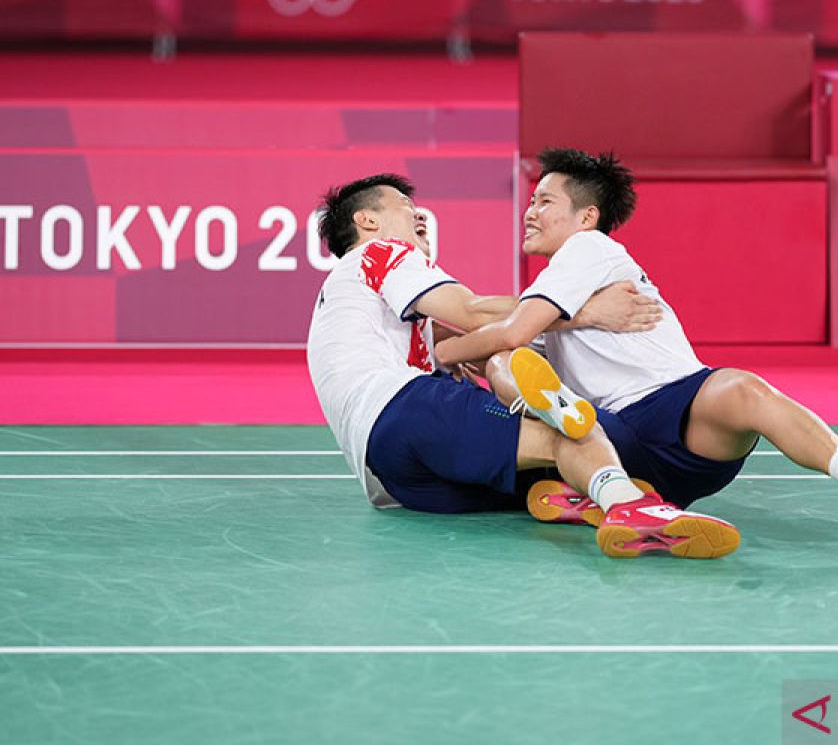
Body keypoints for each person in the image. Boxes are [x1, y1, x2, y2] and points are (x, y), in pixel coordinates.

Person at [434, 149, 838, 535]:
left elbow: (515, 327)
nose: (530, 212)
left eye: (544, 202)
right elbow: (516, 331)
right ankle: (605, 491)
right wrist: (580, 318)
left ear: (587, 217)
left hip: (673, 403)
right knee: (508, 360)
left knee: (741, 389)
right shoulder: (557, 291)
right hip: (622, 437)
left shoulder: (588, 248)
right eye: (532, 201)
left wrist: (442, 351)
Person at [306, 172, 740, 559]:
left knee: (530, 470)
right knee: (578, 430)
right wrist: (585, 310)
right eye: (406, 207)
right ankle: (631, 507)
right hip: (405, 411)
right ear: (368, 222)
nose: (420, 216)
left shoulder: (346, 304)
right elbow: (473, 311)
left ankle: (573, 496)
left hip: (393, 478)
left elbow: (459, 346)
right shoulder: (381, 253)